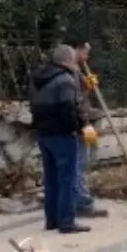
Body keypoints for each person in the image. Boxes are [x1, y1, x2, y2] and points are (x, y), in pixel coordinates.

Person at [30, 45, 93, 233]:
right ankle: (66, 222)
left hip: (43, 134)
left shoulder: (37, 79)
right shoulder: (65, 80)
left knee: (51, 179)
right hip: (62, 135)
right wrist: (81, 127)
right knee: (68, 179)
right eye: (74, 59)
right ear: (67, 60)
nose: (75, 63)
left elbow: (34, 106)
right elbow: (69, 108)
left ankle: (52, 220)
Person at [68, 39, 108, 219]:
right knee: (80, 163)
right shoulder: (71, 71)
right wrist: (86, 88)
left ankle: (79, 200)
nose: (87, 56)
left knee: (87, 156)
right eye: (85, 51)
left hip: (84, 123)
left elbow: (81, 98)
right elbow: (76, 101)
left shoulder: (75, 71)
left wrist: (87, 87)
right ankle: (82, 202)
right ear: (75, 50)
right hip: (80, 124)